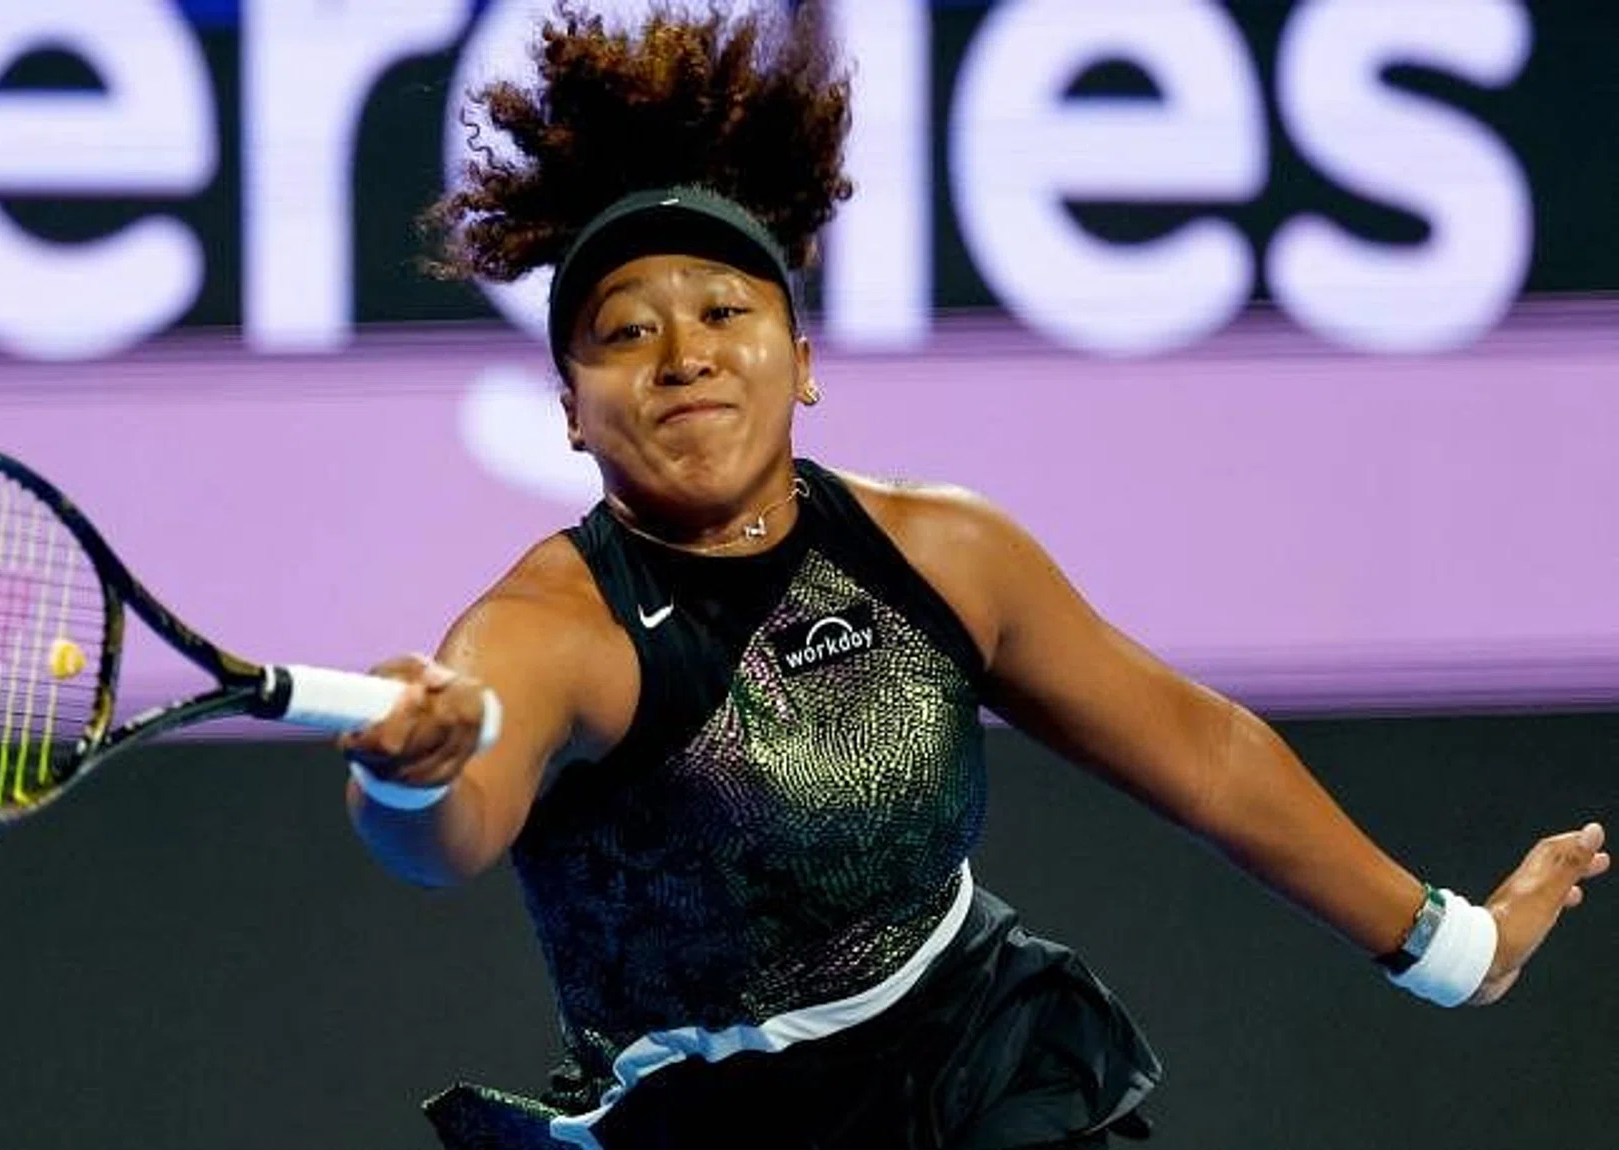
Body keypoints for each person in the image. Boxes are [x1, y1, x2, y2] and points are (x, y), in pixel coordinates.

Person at [336, 5, 1610, 1148]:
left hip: (981, 1063)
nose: (685, 355)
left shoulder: (942, 550)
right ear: (570, 410)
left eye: (727, 312)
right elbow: (445, 840)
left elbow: (1205, 754)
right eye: (625, 333)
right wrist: (413, 775)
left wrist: (1457, 946)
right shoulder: (548, 628)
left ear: (803, 360)